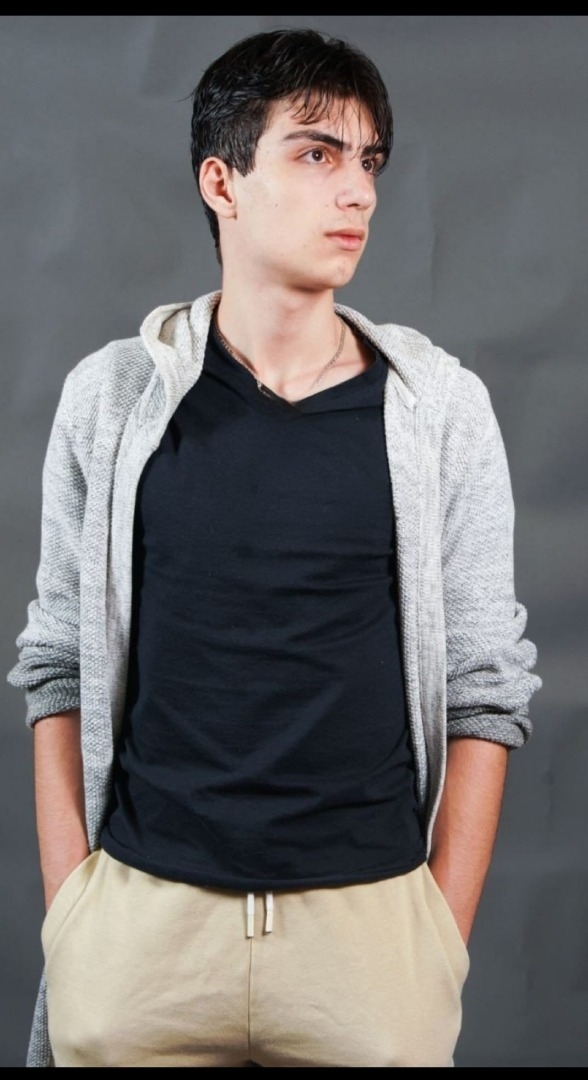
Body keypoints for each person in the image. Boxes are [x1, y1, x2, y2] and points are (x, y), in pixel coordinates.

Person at [7, 26, 541, 1069]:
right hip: (142, 937)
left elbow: (486, 688)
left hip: (370, 942)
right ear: (223, 183)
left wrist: (438, 940)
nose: (359, 192)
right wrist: (76, 914)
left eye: (368, 160)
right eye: (316, 153)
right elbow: (57, 661)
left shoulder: (439, 410)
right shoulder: (112, 399)